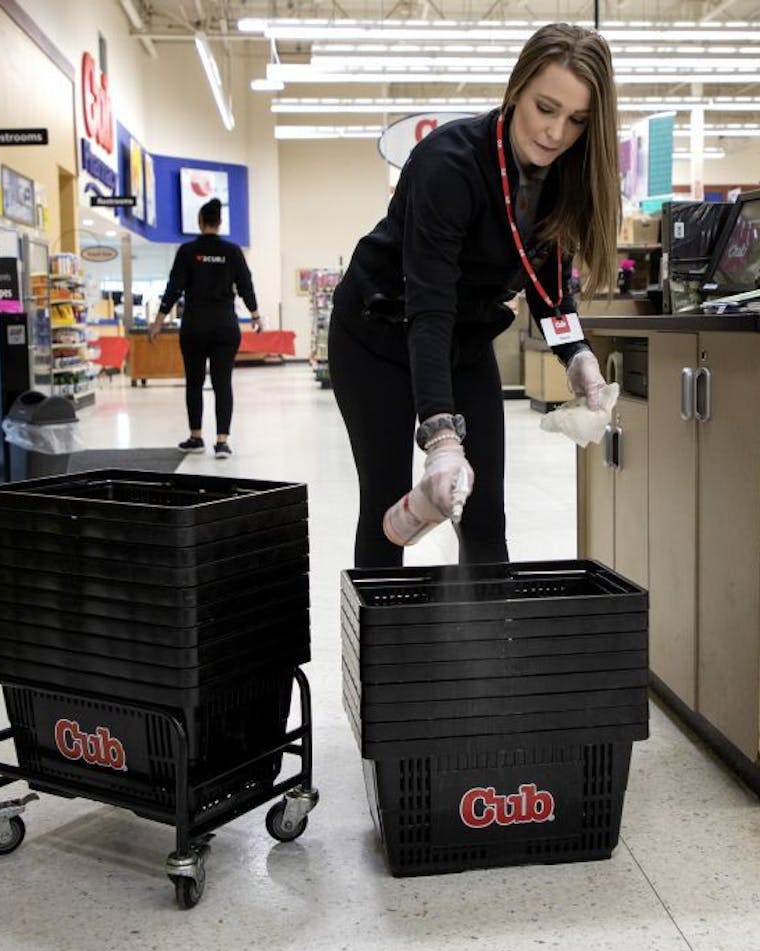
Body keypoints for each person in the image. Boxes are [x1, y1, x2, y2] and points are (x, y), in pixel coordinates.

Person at [329, 22, 619, 567]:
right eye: (546, 107)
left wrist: (575, 352)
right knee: (388, 513)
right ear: (516, 91)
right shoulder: (449, 164)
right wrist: (440, 436)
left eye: (577, 120)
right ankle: (383, 652)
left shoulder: (563, 174)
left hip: (462, 339)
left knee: (484, 516)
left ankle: (486, 649)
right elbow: (429, 304)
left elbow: (547, 277)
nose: (556, 133)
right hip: (377, 335)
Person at [150, 198, 260, 459]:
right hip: (225, 326)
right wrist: (255, 314)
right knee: (223, 383)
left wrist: (158, 320)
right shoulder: (232, 252)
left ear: (200, 222)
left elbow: (173, 288)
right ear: (220, 223)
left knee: (194, 382)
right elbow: (246, 285)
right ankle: (222, 442)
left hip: (195, 325)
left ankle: (196, 437)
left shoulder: (188, 251)